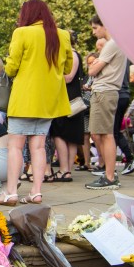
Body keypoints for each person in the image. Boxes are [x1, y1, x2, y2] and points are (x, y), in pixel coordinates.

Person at [0, 0, 73, 206]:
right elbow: (67, 68)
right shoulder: (63, 35)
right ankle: (36, 192)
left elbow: (11, 68)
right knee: (39, 147)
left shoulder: (22, 33)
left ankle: (11, 192)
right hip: (48, 101)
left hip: (24, 98)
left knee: (15, 146)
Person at [85, 15, 127, 190]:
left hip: (105, 91)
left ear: (104, 26)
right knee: (98, 133)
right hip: (104, 91)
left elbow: (93, 70)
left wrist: (93, 65)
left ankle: (110, 176)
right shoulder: (116, 44)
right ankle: (109, 172)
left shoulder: (112, 44)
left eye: (95, 28)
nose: (94, 32)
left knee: (105, 134)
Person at [48, 33, 84, 183]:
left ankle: (64, 169)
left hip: (68, 99)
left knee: (60, 133)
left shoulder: (73, 55)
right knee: (70, 137)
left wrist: (51, 76)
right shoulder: (74, 54)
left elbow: (68, 77)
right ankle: (66, 170)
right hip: (71, 99)